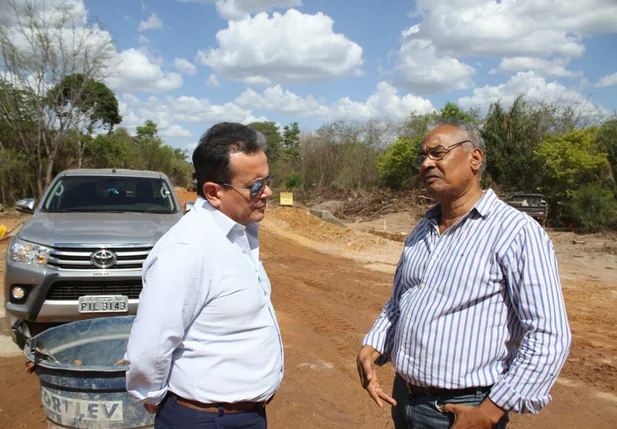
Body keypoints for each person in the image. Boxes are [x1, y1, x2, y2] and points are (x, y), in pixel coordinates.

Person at [356, 120, 571, 429]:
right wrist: (373, 346)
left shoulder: (516, 232)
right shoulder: (421, 230)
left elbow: (549, 335)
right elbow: (400, 302)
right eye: (423, 156)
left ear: (475, 158)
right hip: (404, 399)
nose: (426, 163)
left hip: (462, 410)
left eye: (437, 152)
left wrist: (489, 413)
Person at [125, 122, 283, 429]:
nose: (268, 192)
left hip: (242, 416)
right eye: (254, 186)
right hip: (205, 420)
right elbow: (149, 348)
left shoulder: (239, 234)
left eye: (267, 180)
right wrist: (153, 397)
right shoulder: (187, 250)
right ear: (213, 192)